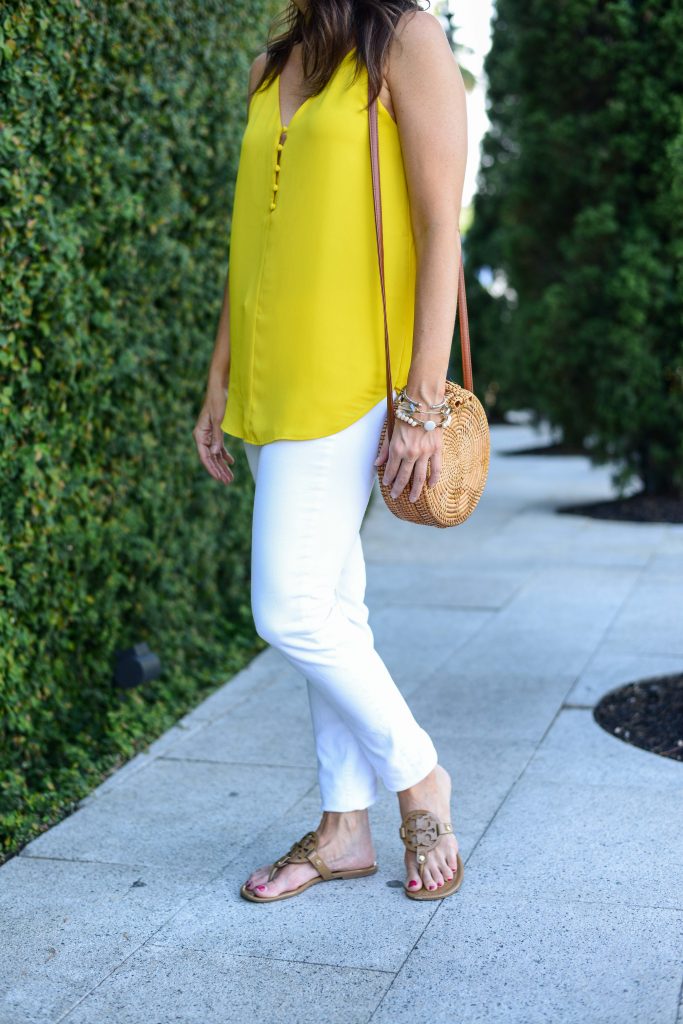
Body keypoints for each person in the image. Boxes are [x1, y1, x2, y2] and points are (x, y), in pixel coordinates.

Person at [192, 0, 467, 903]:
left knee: (289, 607)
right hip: (274, 377)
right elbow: (252, 240)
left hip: (354, 377)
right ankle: (344, 829)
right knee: (333, 606)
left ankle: (419, 773)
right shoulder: (279, 62)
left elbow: (438, 231)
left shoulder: (407, 40)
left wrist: (421, 404)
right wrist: (221, 376)